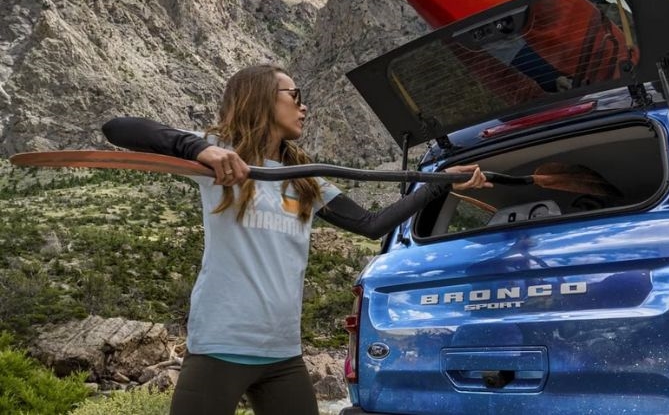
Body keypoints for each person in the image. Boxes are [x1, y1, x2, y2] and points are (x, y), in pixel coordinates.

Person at [102, 64, 490, 415]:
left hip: (282, 354)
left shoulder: (305, 178)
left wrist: (440, 184)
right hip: (220, 346)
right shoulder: (220, 159)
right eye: (295, 96)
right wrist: (201, 148)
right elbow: (118, 128)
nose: (304, 108)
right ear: (261, 99)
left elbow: (372, 225)